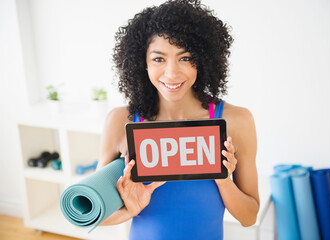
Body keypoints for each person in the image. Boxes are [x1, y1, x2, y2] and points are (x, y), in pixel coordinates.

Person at [97, 0, 259, 239]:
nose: (172, 73)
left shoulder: (235, 121)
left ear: (202, 59)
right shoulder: (121, 121)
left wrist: (224, 181)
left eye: (185, 57)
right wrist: (129, 209)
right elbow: (96, 214)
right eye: (159, 59)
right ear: (142, 62)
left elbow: (249, 217)